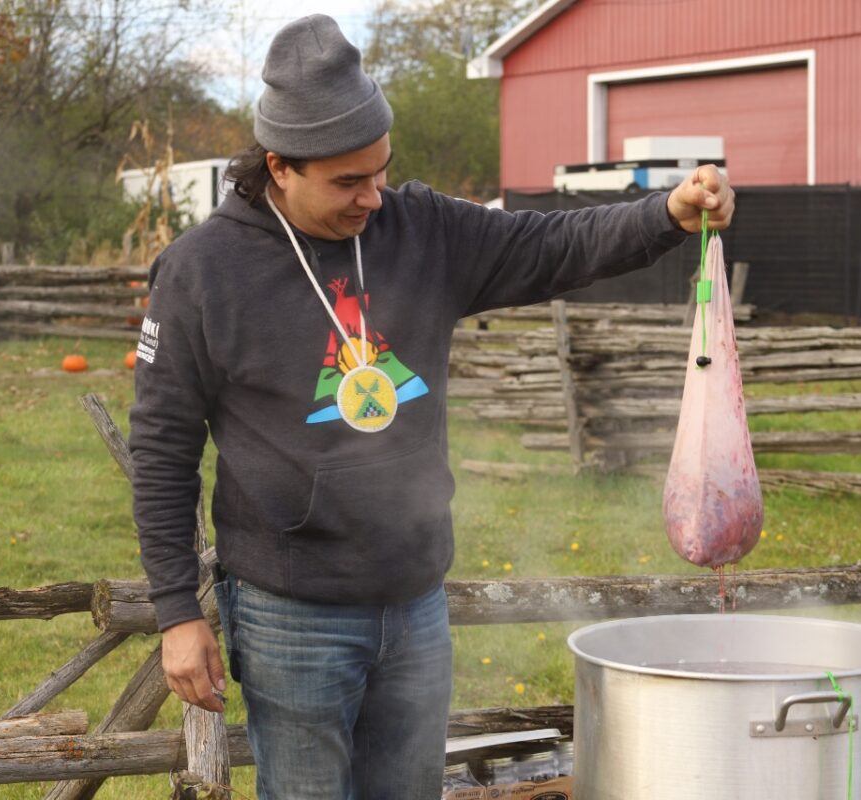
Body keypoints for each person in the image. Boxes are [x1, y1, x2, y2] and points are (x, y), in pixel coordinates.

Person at [128, 14, 733, 800]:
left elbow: (549, 246)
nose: (374, 197)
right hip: (291, 612)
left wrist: (665, 214)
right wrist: (177, 612)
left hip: (415, 604)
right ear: (279, 166)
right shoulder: (201, 272)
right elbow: (162, 450)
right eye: (348, 181)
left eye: (380, 171)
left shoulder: (422, 230)